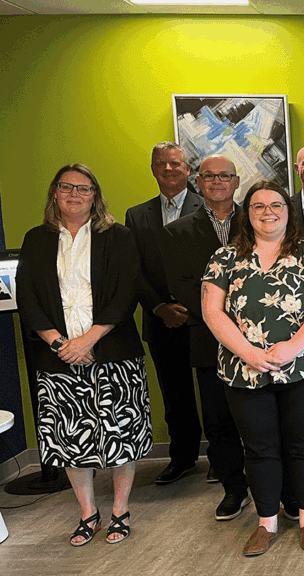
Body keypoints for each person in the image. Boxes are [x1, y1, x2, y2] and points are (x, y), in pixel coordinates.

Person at [201, 181, 304, 556]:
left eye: (276, 205)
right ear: (247, 214)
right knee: (260, 448)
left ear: (288, 211)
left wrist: (293, 347)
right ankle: (266, 523)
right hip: (243, 369)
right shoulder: (224, 258)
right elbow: (212, 311)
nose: (268, 212)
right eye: (258, 206)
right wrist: (247, 351)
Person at [16, 164, 152, 546]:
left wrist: (89, 340)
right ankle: (87, 513)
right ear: (54, 193)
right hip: (56, 357)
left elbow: (127, 292)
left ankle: (120, 511)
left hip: (112, 352)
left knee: (121, 434)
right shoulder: (35, 239)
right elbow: (26, 295)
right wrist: (61, 344)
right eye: (66, 187)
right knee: (70, 438)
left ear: (96, 196)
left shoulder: (118, 236)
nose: (75, 194)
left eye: (84, 188)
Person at [164, 155, 251, 521]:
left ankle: (278, 488)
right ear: (198, 182)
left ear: (237, 181)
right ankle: (234, 489)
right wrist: (223, 320)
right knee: (218, 420)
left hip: (261, 339)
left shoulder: (259, 218)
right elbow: (180, 286)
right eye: (210, 176)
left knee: (264, 419)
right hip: (208, 341)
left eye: (225, 176)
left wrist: (250, 322)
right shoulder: (178, 231)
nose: (218, 181)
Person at [124, 141, 204, 486]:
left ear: (188, 170)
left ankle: (223, 459)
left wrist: (194, 307)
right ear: (153, 169)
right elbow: (133, 270)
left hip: (205, 319)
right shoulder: (136, 215)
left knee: (218, 394)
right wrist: (159, 307)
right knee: (175, 395)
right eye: (161, 164)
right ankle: (183, 458)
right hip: (160, 320)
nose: (168, 169)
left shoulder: (210, 208)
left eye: (176, 164)